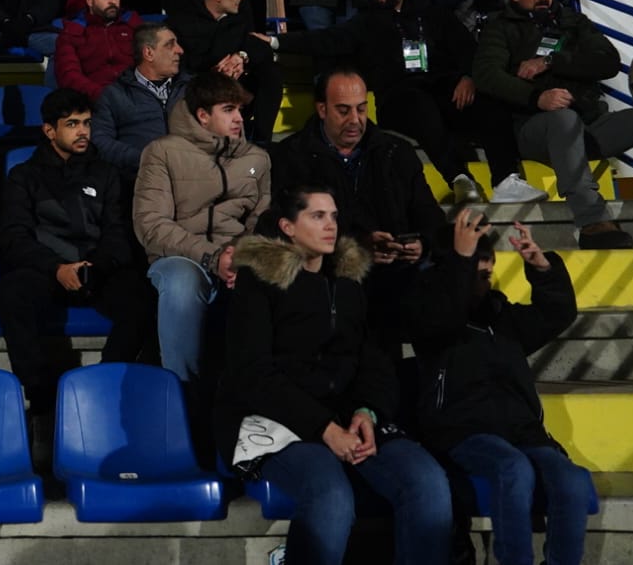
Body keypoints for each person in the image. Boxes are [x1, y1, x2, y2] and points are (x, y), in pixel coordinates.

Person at [218, 188, 452, 565]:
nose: (331, 225)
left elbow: (373, 359)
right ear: (287, 226)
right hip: (278, 419)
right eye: (318, 216)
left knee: (426, 482)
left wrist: (367, 412)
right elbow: (253, 374)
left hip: (346, 416)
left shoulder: (350, 280)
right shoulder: (258, 281)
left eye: (334, 216)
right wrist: (324, 428)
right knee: (329, 493)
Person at [258, 0, 543, 204]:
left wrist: (468, 77)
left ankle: (506, 181)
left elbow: (469, 50)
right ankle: (459, 178)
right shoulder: (366, 23)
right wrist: (274, 41)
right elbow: (325, 40)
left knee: (489, 102)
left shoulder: (435, 14)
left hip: (445, 90)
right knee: (419, 105)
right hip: (398, 98)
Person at [407, 209, 593, 565]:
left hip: (522, 432)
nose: (486, 278)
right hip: (462, 433)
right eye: (476, 270)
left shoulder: (502, 318)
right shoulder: (430, 316)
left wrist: (541, 268)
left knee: (571, 480)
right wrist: (460, 261)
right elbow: (444, 312)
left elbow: (557, 314)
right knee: (513, 468)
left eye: (488, 271)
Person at [0, 87, 156, 448]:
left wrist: (93, 267)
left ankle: (107, 384)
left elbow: (118, 233)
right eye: (72, 124)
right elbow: (15, 237)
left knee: (143, 296)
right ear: (50, 130)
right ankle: (43, 398)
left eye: (86, 123)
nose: (83, 131)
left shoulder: (108, 173)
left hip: (98, 269)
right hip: (47, 270)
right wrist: (57, 268)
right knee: (11, 293)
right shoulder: (24, 176)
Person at [473, 0, 633, 250]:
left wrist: (552, 61)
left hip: (590, 124)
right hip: (534, 128)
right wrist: (537, 98)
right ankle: (592, 221)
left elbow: (607, 61)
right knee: (562, 117)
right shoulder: (500, 28)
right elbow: (486, 75)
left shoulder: (572, 21)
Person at [268, 69, 444, 343]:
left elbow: (429, 214)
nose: (355, 120)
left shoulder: (396, 151)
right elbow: (286, 228)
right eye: (343, 110)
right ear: (322, 109)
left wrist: (421, 243)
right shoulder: (291, 156)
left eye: (361, 109)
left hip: (397, 275)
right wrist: (359, 246)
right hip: (328, 275)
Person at [134, 72, 270, 385]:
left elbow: (260, 221)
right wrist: (212, 258)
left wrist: (238, 256)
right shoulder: (162, 152)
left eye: (240, 111)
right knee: (183, 280)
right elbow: (151, 224)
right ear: (203, 115)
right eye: (228, 110)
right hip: (179, 257)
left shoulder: (258, 158)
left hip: (237, 259)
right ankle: (181, 392)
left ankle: (256, 391)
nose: (239, 119)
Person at [171, 0, 281, 142]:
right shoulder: (184, 18)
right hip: (199, 81)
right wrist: (220, 66)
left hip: (236, 79)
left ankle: (262, 140)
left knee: (269, 71)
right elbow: (189, 59)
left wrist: (241, 57)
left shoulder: (241, 12)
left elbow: (257, 43)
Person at [90, 21, 190, 179]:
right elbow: (100, 140)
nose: (180, 50)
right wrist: (145, 158)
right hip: (139, 178)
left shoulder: (192, 89)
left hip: (191, 176)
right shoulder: (114, 94)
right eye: (170, 45)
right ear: (149, 53)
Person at [53, 0, 142, 99]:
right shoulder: (72, 33)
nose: (113, 1)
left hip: (136, 96)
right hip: (94, 100)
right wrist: (103, 96)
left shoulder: (133, 26)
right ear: (90, 0)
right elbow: (69, 76)